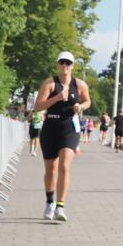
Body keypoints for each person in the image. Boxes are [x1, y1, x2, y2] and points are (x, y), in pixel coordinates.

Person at [33, 51, 90, 222]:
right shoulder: (50, 84)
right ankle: (49, 202)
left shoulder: (79, 85)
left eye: (68, 63)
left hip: (69, 129)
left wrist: (81, 107)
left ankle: (60, 206)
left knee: (65, 166)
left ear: (72, 66)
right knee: (51, 170)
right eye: (62, 62)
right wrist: (57, 97)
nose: (65, 66)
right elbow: (37, 107)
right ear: (57, 65)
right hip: (50, 127)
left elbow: (88, 101)